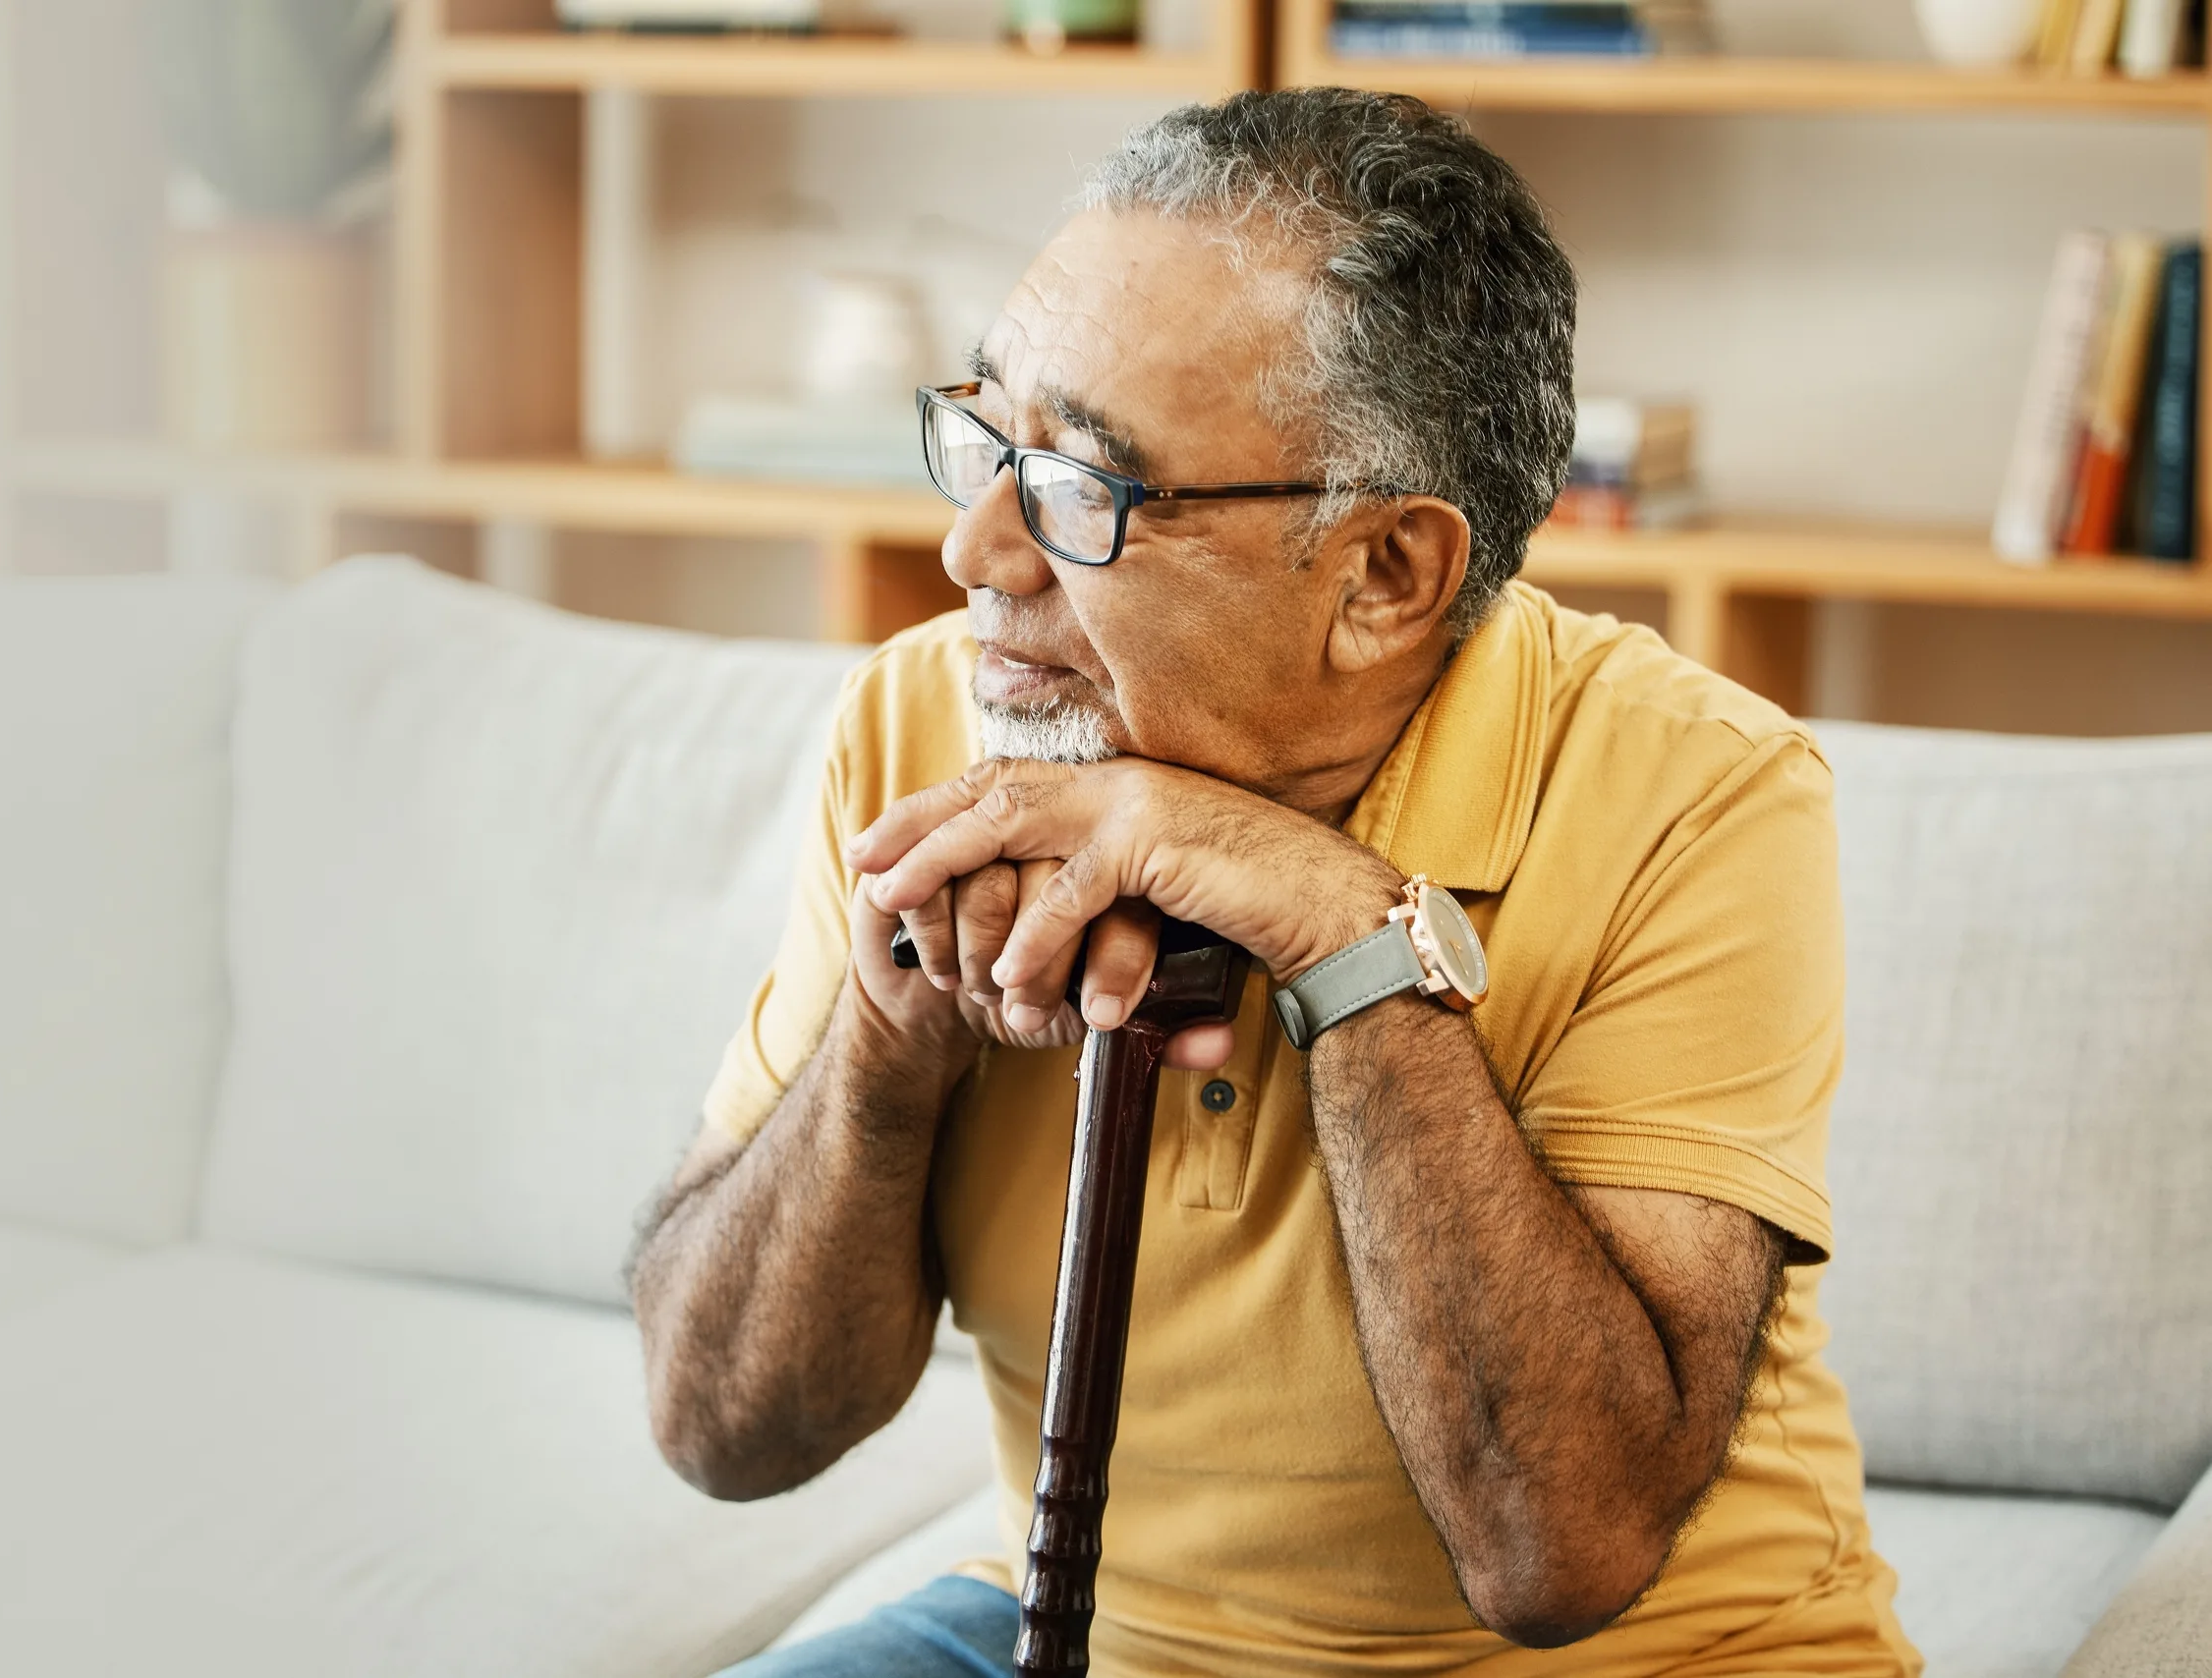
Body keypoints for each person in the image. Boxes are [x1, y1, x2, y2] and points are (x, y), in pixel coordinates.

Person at [630, 87, 1918, 1678]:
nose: (975, 552)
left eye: (1083, 486)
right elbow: (718, 1429)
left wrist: (1337, 927)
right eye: (989, 437)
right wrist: (888, 1052)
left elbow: (1558, 1549)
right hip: (1089, 1635)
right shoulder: (927, 716)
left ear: (1384, 576)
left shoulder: (1700, 793)